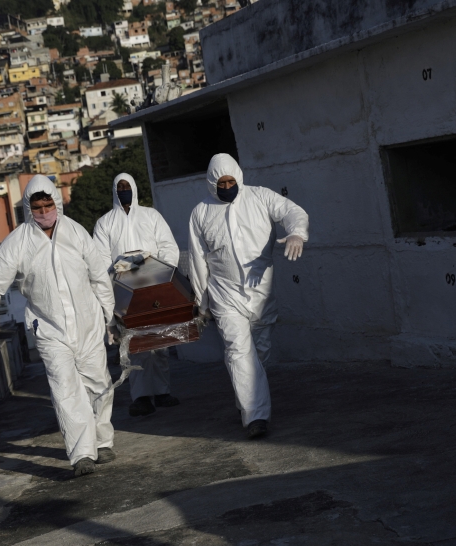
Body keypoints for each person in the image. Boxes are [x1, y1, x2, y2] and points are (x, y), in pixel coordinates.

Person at [0, 175, 117, 477]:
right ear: (28, 209)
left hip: (88, 323)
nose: (44, 212)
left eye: (48, 205)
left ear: (56, 203)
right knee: (65, 389)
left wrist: (109, 316)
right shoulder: (17, 243)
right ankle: (82, 454)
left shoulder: (76, 232)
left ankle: (102, 440)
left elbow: (99, 277)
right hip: (49, 329)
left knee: (99, 384)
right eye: (38, 208)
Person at [187, 154, 309, 439]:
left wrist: (296, 233)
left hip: (261, 293)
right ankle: (256, 416)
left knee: (260, 352)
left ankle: (247, 400)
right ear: (211, 183)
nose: (227, 187)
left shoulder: (260, 197)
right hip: (224, 293)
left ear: (238, 178)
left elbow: (292, 211)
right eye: (221, 183)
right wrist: (202, 302)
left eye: (231, 181)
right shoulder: (201, 212)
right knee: (238, 351)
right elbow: (197, 259)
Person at [93, 173, 181, 417]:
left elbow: (168, 246)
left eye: (127, 186)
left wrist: (161, 271)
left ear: (134, 187)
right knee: (133, 343)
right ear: (114, 190)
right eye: (119, 187)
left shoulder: (151, 216)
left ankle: (162, 392)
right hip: (124, 290)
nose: (124, 190)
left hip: (153, 285)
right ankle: (141, 397)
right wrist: (116, 276)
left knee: (159, 340)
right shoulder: (105, 223)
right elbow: (99, 260)